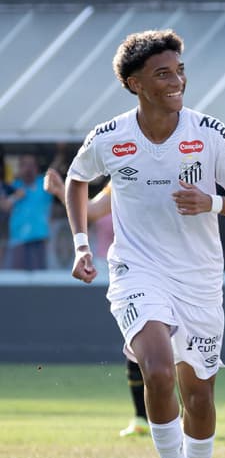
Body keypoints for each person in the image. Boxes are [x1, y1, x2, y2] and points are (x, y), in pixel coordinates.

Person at [64, 29, 225, 458]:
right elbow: (75, 179)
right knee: (155, 368)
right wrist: (82, 244)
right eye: (163, 73)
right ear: (135, 84)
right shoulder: (110, 136)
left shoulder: (208, 131)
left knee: (198, 393)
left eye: (179, 70)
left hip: (199, 279)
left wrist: (213, 203)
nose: (177, 80)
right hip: (136, 269)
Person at [44, 168, 151, 437]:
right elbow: (90, 211)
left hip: (160, 270)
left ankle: (180, 415)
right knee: (135, 341)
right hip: (121, 273)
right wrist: (60, 191)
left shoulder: (159, 175)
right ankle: (141, 417)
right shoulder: (118, 183)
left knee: (169, 347)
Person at [1, 154, 53, 270]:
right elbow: (4, 206)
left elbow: (55, 170)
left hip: (39, 239)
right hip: (18, 240)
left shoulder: (44, 184)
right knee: (17, 280)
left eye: (31, 165)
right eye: (24, 165)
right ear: (19, 168)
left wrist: (61, 151)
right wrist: (15, 197)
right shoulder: (14, 186)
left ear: (36, 168)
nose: (28, 169)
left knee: (41, 280)